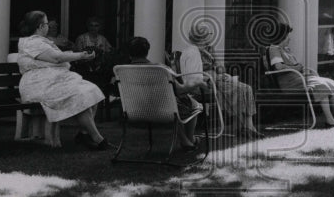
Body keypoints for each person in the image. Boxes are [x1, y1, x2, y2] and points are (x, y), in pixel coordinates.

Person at [15, 10, 109, 150]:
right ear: (40, 27)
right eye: (47, 24)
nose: (49, 27)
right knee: (79, 95)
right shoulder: (31, 42)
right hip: (38, 85)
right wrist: (81, 55)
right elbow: (56, 58)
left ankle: (84, 134)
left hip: (53, 81)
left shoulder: (41, 41)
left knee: (90, 91)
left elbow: (57, 56)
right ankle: (97, 138)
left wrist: (78, 55)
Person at [123, 36, 202, 150]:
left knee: (172, 103)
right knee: (193, 105)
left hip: (135, 110)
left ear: (129, 53)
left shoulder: (122, 70)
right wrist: (197, 83)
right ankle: (190, 140)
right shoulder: (160, 69)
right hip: (164, 110)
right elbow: (180, 90)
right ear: (147, 51)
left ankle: (187, 141)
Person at [185, 22, 262, 138]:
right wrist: (216, 76)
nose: (211, 36)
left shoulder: (209, 49)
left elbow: (221, 69)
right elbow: (195, 75)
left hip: (217, 79)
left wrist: (215, 60)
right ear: (202, 36)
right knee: (240, 88)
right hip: (208, 83)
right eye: (209, 33)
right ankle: (243, 128)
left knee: (246, 88)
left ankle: (248, 127)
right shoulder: (193, 51)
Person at [267, 18, 334, 127]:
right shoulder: (274, 49)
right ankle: (330, 121)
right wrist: (297, 68)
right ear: (281, 36)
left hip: (300, 78)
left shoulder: (286, 50)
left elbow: (293, 66)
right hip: (291, 83)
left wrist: (302, 69)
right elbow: (279, 67)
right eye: (287, 35)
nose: (289, 38)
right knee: (322, 86)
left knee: (331, 83)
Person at [73, 15, 115, 95]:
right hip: (85, 70)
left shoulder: (103, 39)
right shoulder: (81, 38)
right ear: (88, 26)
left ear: (100, 27)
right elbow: (77, 54)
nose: (93, 28)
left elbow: (109, 53)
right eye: (91, 25)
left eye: (96, 26)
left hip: (100, 71)